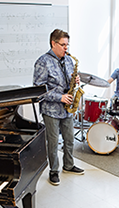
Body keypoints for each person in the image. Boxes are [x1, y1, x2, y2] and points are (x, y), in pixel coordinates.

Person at [33, 29, 84, 186]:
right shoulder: (43, 61)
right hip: (51, 110)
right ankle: (54, 171)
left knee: (69, 139)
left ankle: (68, 165)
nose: (66, 48)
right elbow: (38, 88)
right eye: (62, 45)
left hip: (67, 108)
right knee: (53, 142)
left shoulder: (68, 60)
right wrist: (59, 97)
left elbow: (69, 78)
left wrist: (75, 80)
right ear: (53, 43)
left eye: (67, 45)